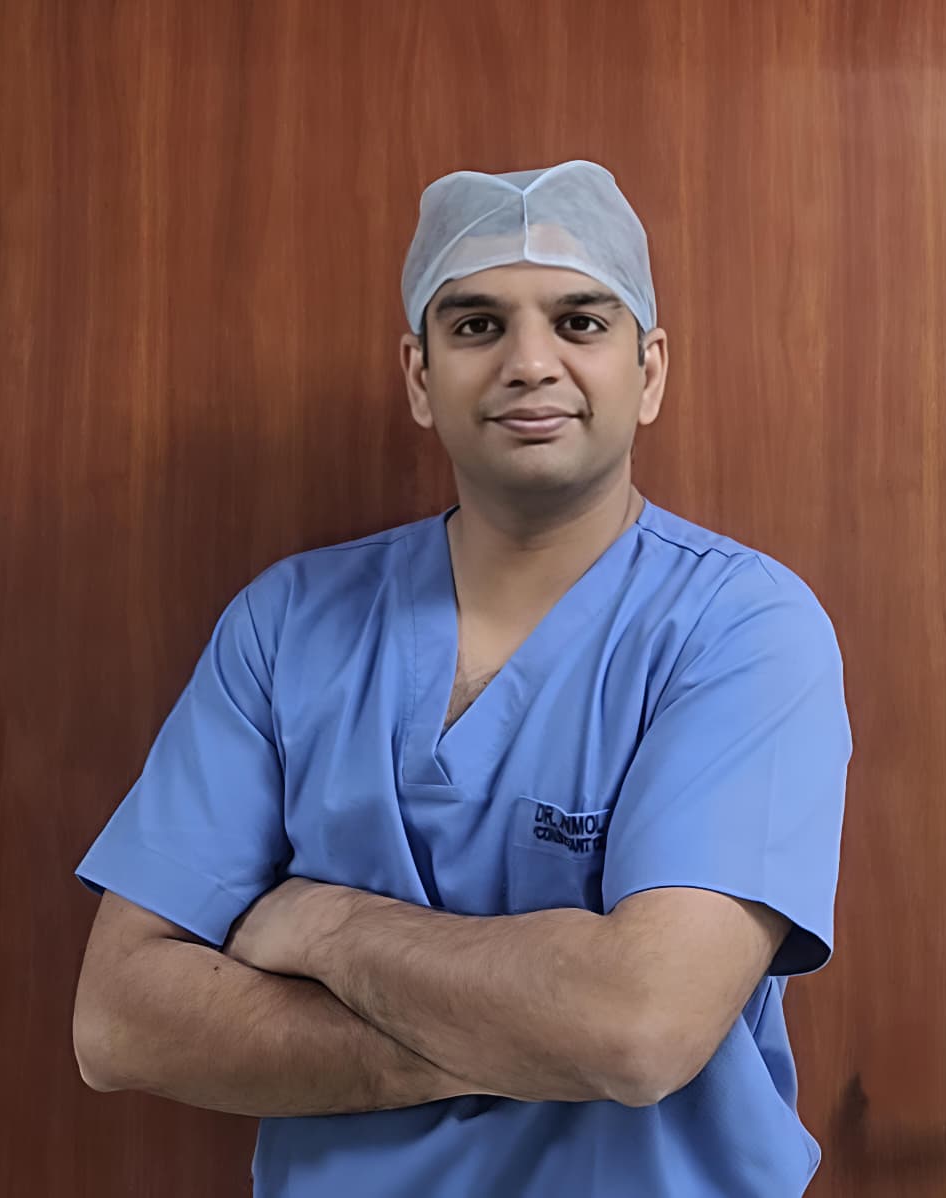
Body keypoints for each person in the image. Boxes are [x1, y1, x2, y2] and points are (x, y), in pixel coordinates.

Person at [72, 159, 853, 1197]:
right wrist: (526, 1033)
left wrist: (327, 927)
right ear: (419, 374)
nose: (529, 362)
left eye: (579, 322)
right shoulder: (286, 624)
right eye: (477, 324)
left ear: (650, 370)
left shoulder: (741, 629)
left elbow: (638, 1029)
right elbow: (119, 1020)